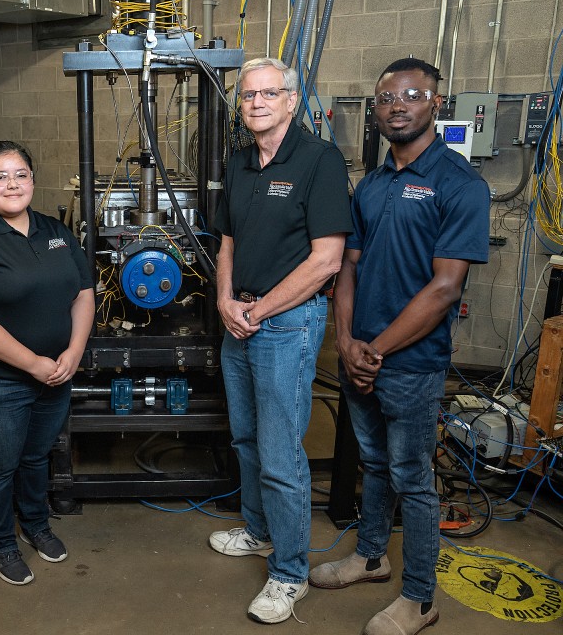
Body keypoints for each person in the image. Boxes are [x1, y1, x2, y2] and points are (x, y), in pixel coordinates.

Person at [309, 58, 489, 635]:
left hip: (411, 363)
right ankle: (369, 556)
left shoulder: (460, 184)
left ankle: (419, 598)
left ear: (436, 103)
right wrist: (346, 343)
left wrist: (375, 349)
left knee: (412, 477)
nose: (396, 105)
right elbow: (348, 269)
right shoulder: (374, 184)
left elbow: (445, 287)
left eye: (412, 95)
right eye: (386, 97)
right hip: (362, 354)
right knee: (374, 463)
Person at [208, 57, 352, 624]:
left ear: (293, 101)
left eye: (270, 93)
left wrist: (258, 310)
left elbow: (326, 261)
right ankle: (261, 532)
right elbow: (226, 243)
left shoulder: (318, 159)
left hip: (287, 325)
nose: (257, 103)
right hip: (239, 318)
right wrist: (225, 302)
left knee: (280, 454)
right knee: (245, 439)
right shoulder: (241, 162)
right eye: (248, 96)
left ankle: (290, 572)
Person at [0, 141, 95, 585]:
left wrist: (73, 353)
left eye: (21, 174)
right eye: (0, 176)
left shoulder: (55, 231)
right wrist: (34, 364)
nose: (13, 184)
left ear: (33, 178)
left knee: (36, 456)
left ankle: (35, 523)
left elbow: (83, 293)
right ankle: (1, 544)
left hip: (56, 372)